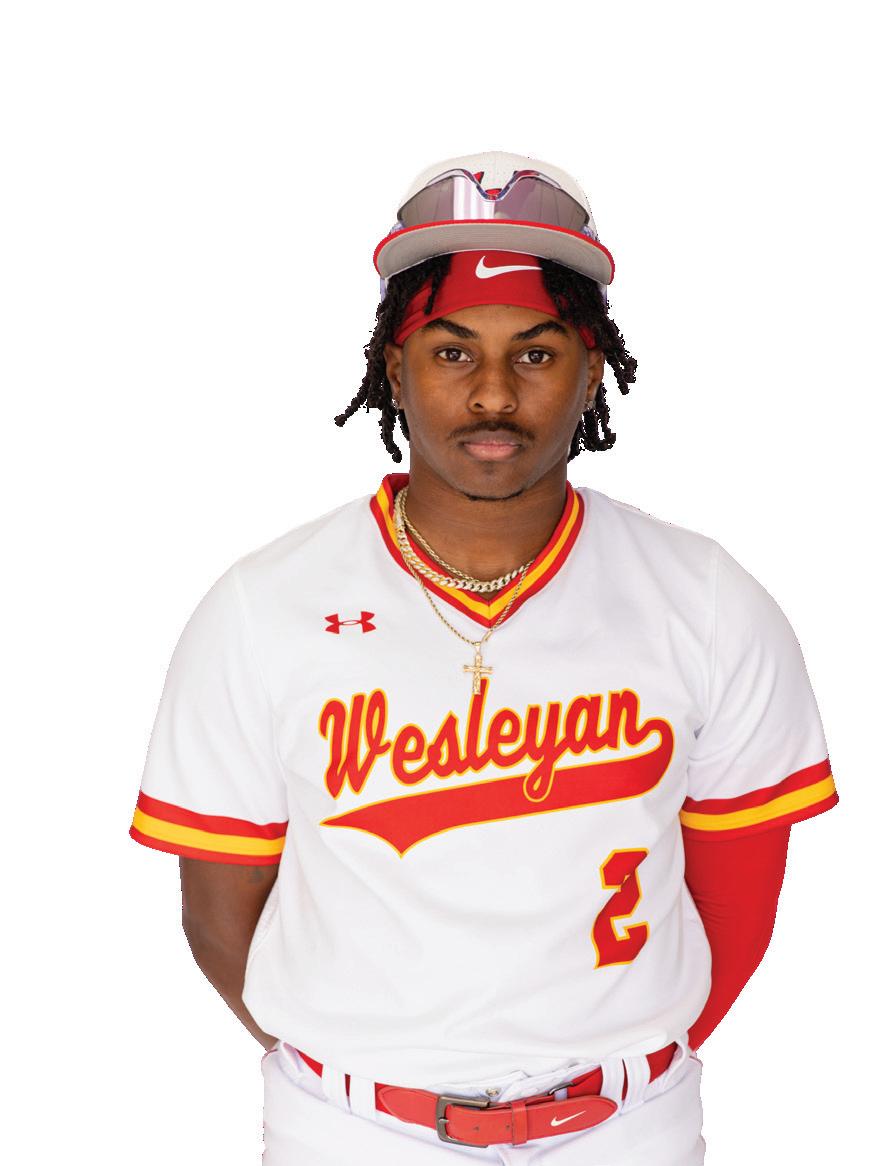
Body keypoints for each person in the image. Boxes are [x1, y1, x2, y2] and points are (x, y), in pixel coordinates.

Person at [129, 150, 839, 1164]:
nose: (494, 394)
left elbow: (738, 897)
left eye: (536, 354)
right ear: (395, 369)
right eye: (453, 352)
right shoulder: (262, 605)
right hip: (348, 1130)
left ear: (591, 371)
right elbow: (218, 913)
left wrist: (614, 1070)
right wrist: (371, 1071)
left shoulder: (707, 597)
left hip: (626, 1128)